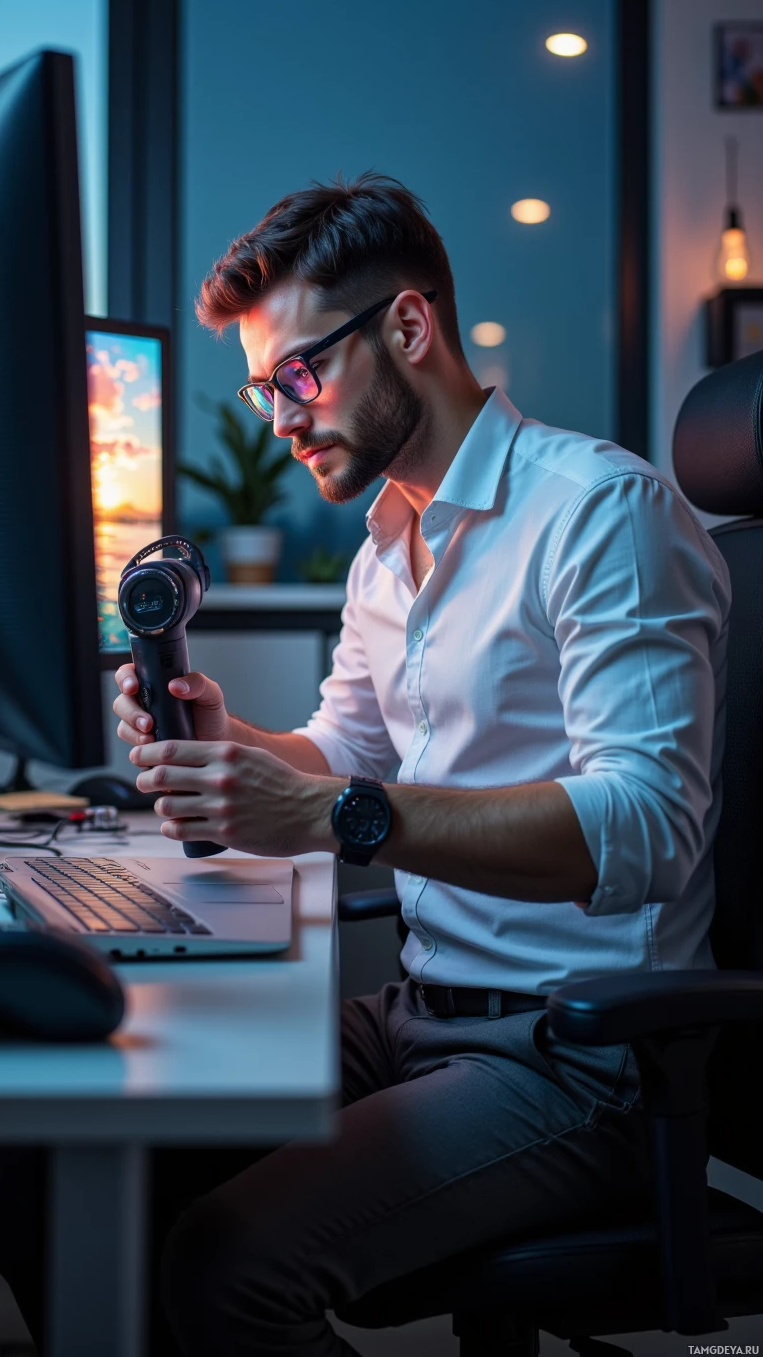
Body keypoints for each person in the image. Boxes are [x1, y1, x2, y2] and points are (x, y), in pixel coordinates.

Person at [114, 174, 731, 1357]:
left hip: (583, 1057)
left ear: (407, 327)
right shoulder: (387, 545)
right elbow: (340, 755)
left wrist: (336, 813)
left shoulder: (598, 513)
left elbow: (645, 831)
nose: (281, 419)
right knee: (122, 1127)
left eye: (298, 375)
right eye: (263, 392)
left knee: (225, 1266)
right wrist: (222, 738)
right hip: (423, 1016)